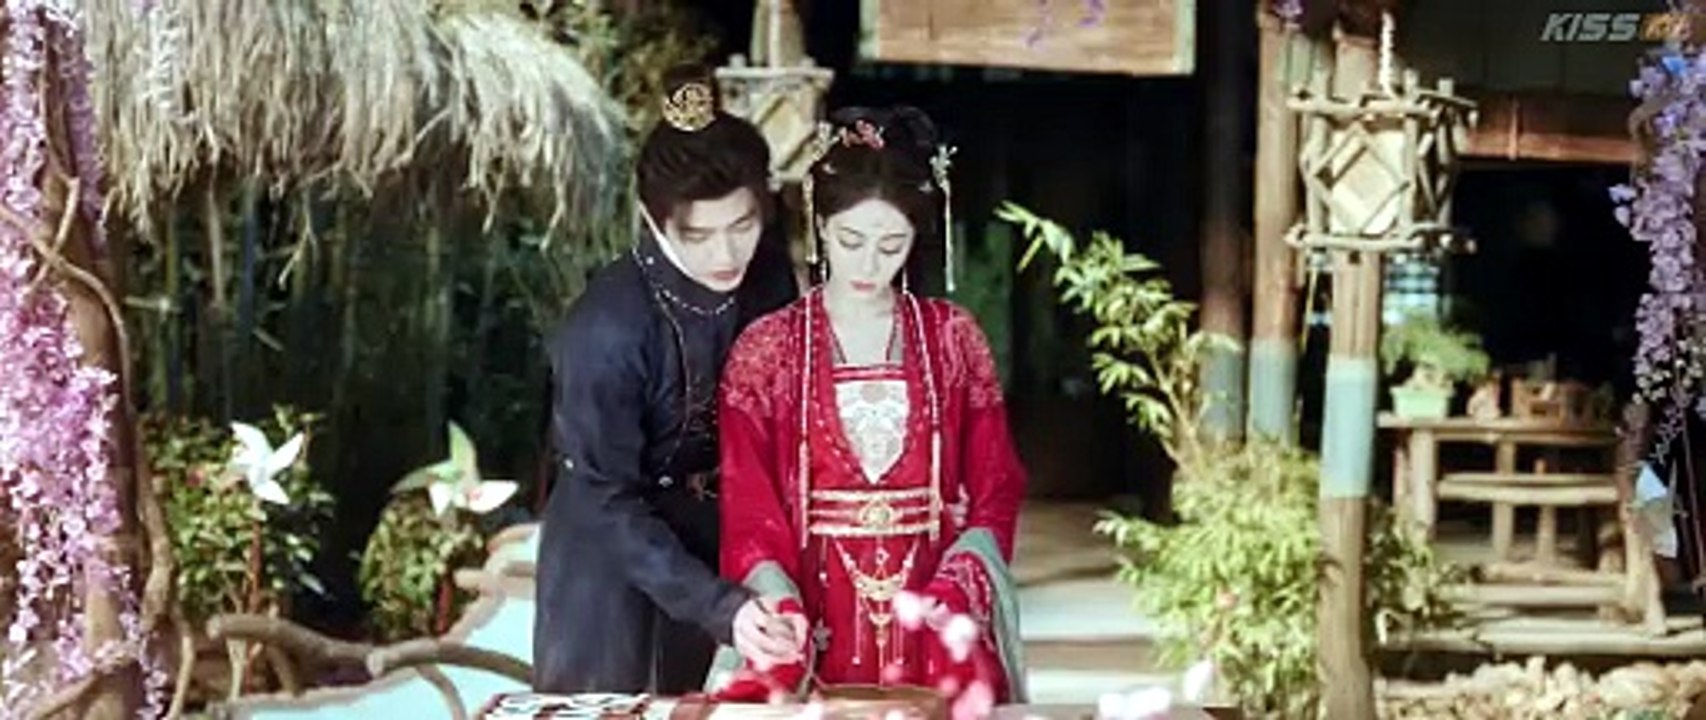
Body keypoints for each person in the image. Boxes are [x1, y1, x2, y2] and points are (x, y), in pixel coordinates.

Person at [708, 107, 1028, 704]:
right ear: (820, 224)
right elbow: (748, 502)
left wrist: (959, 587)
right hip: (809, 609)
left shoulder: (953, 338)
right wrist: (776, 600)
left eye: (891, 245)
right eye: (851, 241)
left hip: (931, 611)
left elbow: (996, 484)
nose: (868, 264)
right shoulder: (768, 349)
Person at [533, 67, 803, 694]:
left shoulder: (767, 277)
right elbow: (603, 495)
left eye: (743, 225)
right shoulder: (607, 328)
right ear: (653, 221)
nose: (726, 255)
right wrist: (719, 605)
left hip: (718, 550)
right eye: (698, 235)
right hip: (609, 568)